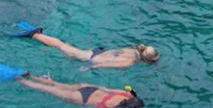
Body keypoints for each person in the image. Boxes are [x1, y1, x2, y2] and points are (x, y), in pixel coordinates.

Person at [0, 63, 145, 108]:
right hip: (82, 99)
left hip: (88, 88)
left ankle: (30, 75)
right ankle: (17, 78)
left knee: (54, 83)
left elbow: (105, 87)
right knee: (45, 90)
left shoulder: (124, 93)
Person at [12, 21, 159, 69]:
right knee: (61, 47)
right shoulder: (129, 62)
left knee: (67, 47)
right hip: (92, 58)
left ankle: (39, 37)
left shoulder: (133, 50)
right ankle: (35, 34)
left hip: (97, 51)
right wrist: (89, 68)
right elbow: (106, 65)